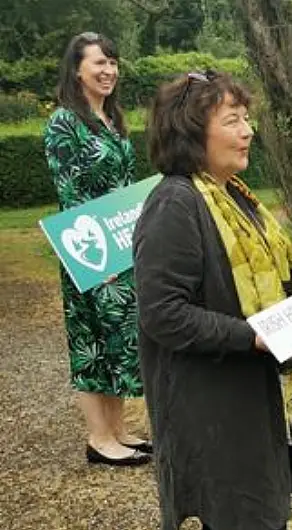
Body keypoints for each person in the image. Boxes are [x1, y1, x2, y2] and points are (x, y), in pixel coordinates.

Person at [133, 71, 292, 530]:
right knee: (239, 514)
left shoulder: (236, 196)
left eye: (246, 118)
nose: (248, 130)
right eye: (232, 120)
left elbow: (272, 278)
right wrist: (254, 337)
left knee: (261, 511)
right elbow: (162, 314)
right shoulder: (174, 205)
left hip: (253, 396)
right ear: (192, 131)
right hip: (212, 409)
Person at [43, 31, 151, 467]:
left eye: (112, 62)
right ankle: (98, 439)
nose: (108, 71)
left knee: (118, 340)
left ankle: (119, 431)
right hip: (89, 252)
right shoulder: (63, 122)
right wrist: (95, 259)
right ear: (76, 70)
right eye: (98, 64)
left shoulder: (111, 117)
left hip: (122, 249)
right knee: (91, 342)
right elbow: (70, 195)